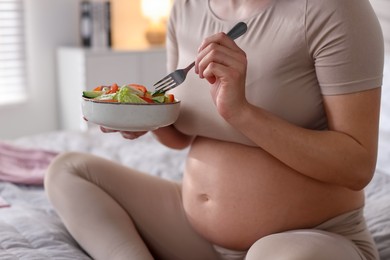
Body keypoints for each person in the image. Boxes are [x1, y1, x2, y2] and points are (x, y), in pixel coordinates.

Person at [45, 0, 384, 259]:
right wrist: (141, 118)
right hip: (194, 231)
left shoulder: (334, 10)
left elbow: (356, 165)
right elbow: (181, 136)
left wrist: (242, 113)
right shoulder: (186, 8)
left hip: (308, 238)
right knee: (68, 171)